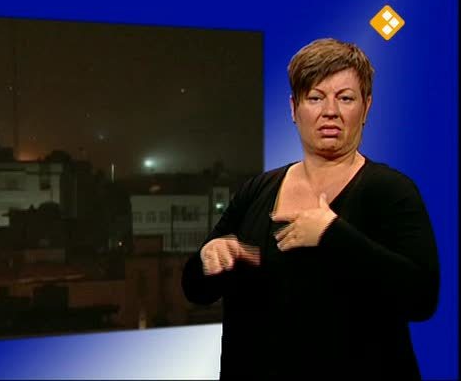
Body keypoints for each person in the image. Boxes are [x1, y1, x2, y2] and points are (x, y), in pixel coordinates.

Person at [181, 38, 439, 380]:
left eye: (345, 98)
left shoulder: (391, 191)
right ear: (294, 108)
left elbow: (421, 298)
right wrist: (210, 257)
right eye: (315, 97)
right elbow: (197, 290)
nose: (330, 111)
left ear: (366, 107)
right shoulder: (257, 190)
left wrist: (333, 235)